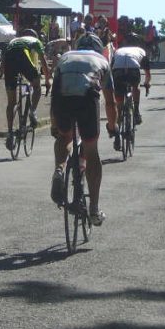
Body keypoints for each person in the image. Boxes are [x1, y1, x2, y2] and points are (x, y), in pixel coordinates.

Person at [49, 32, 117, 226]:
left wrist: (55, 124)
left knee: (63, 138)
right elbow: (110, 103)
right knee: (91, 149)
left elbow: (55, 94)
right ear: (98, 48)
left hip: (62, 98)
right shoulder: (102, 60)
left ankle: (59, 170)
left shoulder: (65, 57)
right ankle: (94, 210)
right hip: (87, 98)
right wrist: (113, 126)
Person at [3, 29, 51, 150]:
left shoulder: (14, 40)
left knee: (11, 102)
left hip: (8, 58)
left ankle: (9, 132)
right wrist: (47, 81)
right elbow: (43, 63)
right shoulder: (36, 41)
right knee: (37, 86)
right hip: (21, 55)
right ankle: (32, 111)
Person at [110, 45, 152, 148]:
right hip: (133, 69)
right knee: (135, 86)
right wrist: (147, 83)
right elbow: (147, 73)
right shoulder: (142, 52)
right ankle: (136, 111)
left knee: (119, 103)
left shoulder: (117, 51)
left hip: (118, 70)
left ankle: (117, 133)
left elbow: (110, 70)